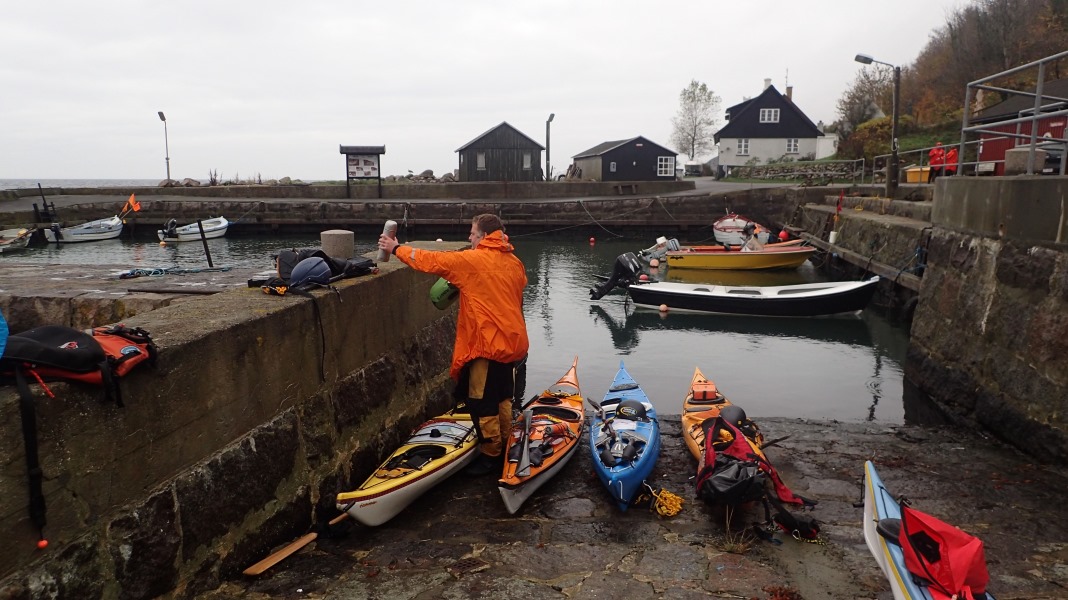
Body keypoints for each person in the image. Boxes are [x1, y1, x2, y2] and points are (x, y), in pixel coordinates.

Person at [377, 214, 529, 476]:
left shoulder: (472, 261)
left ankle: (491, 456)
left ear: (482, 236)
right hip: (512, 342)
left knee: (482, 402)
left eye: (472, 233)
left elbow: (432, 261)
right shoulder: (514, 262)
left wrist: (396, 248)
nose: (469, 238)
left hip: (487, 345)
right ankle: (506, 442)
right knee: (504, 396)